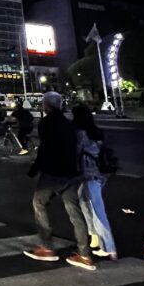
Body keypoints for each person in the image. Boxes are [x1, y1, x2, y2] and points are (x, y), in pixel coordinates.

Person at [24, 91, 95, 270]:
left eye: (43, 103)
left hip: (53, 173)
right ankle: (85, 255)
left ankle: (47, 248)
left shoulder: (46, 123)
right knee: (74, 212)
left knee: (38, 204)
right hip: (71, 174)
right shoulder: (68, 123)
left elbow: (45, 148)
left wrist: (34, 169)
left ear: (47, 105)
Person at [73, 104, 118, 260]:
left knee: (97, 211)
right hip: (102, 173)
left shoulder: (80, 134)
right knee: (83, 201)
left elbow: (77, 152)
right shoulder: (97, 132)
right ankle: (95, 238)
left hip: (90, 175)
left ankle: (109, 247)